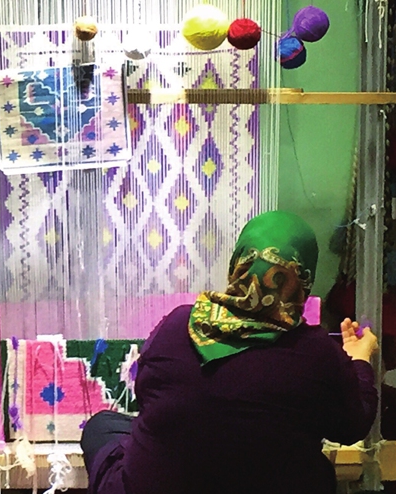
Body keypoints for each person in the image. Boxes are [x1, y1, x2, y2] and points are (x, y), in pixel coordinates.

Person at [81, 211, 379, 494]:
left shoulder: (178, 325)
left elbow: (145, 394)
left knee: (104, 425)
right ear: (303, 279)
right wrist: (358, 358)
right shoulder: (317, 353)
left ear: (238, 264)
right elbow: (352, 426)